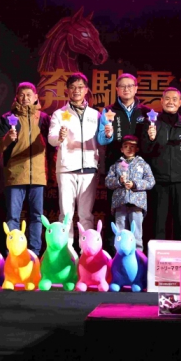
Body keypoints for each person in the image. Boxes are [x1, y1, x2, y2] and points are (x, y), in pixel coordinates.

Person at [47, 73, 102, 253]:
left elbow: (101, 141)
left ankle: (87, 252)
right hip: (66, 168)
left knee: (86, 214)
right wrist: (59, 137)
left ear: (86, 90)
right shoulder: (59, 114)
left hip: (89, 169)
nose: (76, 91)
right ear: (67, 91)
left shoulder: (95, 115)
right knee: (66, 214)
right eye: (72, 87)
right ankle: (66, 252)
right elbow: (51, 139)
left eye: (80, 87)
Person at [0, 82, 50, 256]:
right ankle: (13, 253)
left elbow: (52, 143)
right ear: (16, 97)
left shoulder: (43, 118)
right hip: (16, 173)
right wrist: (8, 138)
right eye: (22, 95)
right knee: (13, 216)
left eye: (29, 95)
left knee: (36, 217)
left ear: (35, 97)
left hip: (38, 174)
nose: (25, 98)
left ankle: (34, 253)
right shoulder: (8, 118)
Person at [97, 73, 149, 253]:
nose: (126, 89)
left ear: (136, 89)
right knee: (116, 216)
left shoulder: (145, 112)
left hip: (139, 171)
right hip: (116, 169)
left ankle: (138, 256)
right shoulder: (108, 111)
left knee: (138, 218)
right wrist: (108, 135)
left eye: (130, 86)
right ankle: (115, 256)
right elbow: (101, 140)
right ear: (117, 89)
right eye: (122, 86)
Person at [141, 87, 181, 241]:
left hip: (180, 180)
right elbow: (145, 150)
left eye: (174, 99)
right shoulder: (151, 122)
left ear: (180, 102)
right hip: (158, 179)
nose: (170, 102)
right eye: (167, 99)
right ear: (161, 101)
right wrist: (151, 139)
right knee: (158, 220)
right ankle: (157, 254)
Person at [104, 135, 155, 251]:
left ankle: (138, 257)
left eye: (132, 147)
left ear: (137, 149)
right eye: (126, 146)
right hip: (120, 203)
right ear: (121, 149)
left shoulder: (143, 164)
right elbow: (108, 181)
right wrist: (119, 181)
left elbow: (151, 182)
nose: (129, 149)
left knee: (136, 234)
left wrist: (134, 184)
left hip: (136, 204)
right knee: (120, 233)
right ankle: (120, 256)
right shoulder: (116, 165)